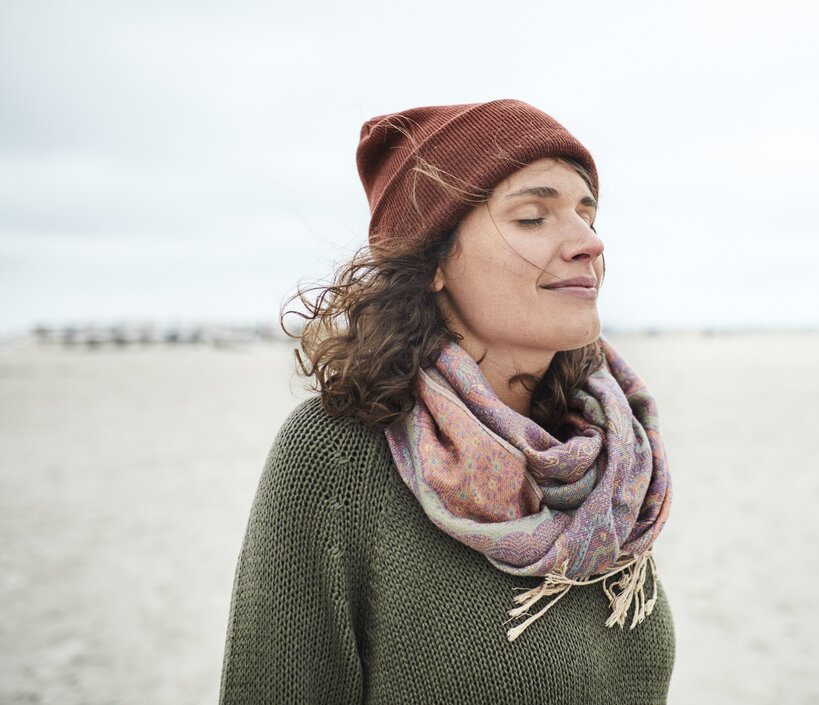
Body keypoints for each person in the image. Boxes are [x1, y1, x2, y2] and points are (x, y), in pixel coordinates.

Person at [218, 99, 675, 704]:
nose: (587, 243)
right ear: (433, 260)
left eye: (586, 214)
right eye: (533, 218)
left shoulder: (610, 460)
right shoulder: (339, 457)